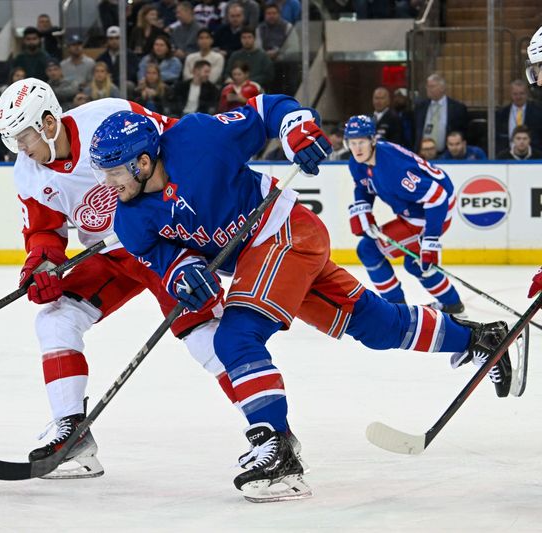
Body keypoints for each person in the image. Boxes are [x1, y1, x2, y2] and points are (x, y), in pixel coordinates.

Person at [88, 99, 514, 503]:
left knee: (236, 336)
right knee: (373, 325)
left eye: (111, 172)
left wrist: (294, 131)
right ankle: (478, 339)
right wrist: (183, 275)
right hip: (267, 256)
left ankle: (277, 452)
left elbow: (266, 109)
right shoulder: (129, 219)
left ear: (142, 162)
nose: (105, 184)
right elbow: (166, 260)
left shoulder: (196, 138)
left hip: (284, 230)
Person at [0, 78, 235, 480]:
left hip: (161, 244)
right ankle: (73, 435)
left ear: (49, 124)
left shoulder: (107, 118)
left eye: (25, 138)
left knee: (203, 336)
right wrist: (41, 265)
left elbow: (176, 144)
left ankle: (269, 432)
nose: (22, 150)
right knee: (55, 320)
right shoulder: (29, 172)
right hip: (110, 258)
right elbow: (44, 231)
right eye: (14, 141)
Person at [343, 115, 466, 315]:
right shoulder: (357, 162)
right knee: (415, 263)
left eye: (362, 142)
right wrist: (363, 207)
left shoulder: (394, 170)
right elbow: (364, 186)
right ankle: (452, 305)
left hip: (432, 213)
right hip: (416, 210)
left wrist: (430, 241)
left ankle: (395, 310)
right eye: (352, 142)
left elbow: (437, 197)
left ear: (373, 140)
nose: (357, 148)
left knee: (368, 250)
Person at [413, 73, 468, 154]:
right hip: (423, 153)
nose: (428, 89)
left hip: (448, 154)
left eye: (432, 86)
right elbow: (415, 129)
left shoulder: (457, 108)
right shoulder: (420, 107)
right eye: (427, 86)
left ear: (442, 88)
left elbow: (462, 131)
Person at [496, 79, 542, 152]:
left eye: (521, 93)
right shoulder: (502, 113)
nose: (518, 97)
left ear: (527, 94)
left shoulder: (538, 112)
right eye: (515, 94)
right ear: (510, 94)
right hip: (507, 156)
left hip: (532, 156)